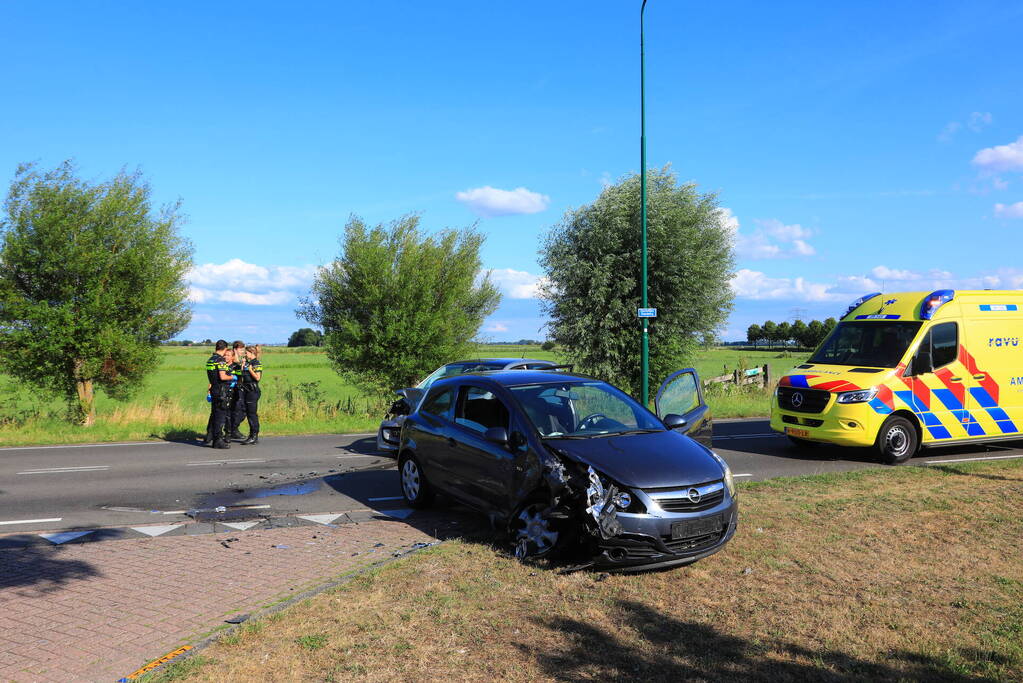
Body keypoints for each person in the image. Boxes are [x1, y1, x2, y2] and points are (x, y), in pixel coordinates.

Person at [205, 340, 235, 449]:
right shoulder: (220, 360)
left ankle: (211, 437)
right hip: (221, 390)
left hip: (214, 389)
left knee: (215, 413)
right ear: (225, 348)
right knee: (220, 416)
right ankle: (218, 441)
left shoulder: (210, 360)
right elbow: (222, 377)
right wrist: (232, 377)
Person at [238, 345, 263, 445]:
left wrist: (250, 369)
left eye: (246, 353)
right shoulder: (248, 363)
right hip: (246, 390)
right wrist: (243, 365)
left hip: (253, 391)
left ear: (252, 353)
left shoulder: (257, 363)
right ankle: (251, 435)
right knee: (248, 413)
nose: (245, 354)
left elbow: (257, 378)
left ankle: (254, 436)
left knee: (252, 414)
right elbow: (242, 375)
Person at [227, 340, 247, 440]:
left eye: (243, 349)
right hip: (233, 388)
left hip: (240, 387)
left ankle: (233, 429)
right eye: (241, 349)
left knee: (241, 410)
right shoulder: (233, 360)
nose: (242, 351)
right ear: (235, 349)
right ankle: (232, 430)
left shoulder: (240, 360)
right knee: (237, 410)